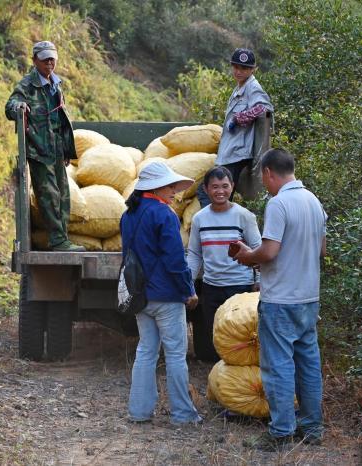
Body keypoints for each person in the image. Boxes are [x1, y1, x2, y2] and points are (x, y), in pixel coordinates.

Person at [233, 148, 327, 450]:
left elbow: (270, 251)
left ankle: (281, 432)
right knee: (308, 364)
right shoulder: (314, 202)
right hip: (309, 298)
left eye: (263, 177)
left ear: (268, 173)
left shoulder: (279, 203)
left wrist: (248, 256)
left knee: (278, 366)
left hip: (280, 301)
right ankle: (312, 429)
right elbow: (321, 250)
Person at [121, 162, 202, 425]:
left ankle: (139, 412)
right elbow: (175, 260)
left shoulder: (128, 215)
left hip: (140, 296)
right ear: (156, 187)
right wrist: (188, 290)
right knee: (176, 354)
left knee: (146, 351)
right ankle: (183, 415)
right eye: (170, 187)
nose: (174, 192)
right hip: (166, 296)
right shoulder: (164, 214)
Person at [5, 41, 85, 252]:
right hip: (40, 151)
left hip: (57, 149)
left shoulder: (55, 84)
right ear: (35, 61)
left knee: (63, 195)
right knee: (48, 196)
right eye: (45, 59)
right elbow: (10, 105)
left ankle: (63, 238)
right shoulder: (27, 85)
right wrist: (18, 107)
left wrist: (66, 149)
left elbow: (60, 119)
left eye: (52, 59)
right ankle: (58, 241)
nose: (49, 63)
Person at [186, 166, 261, 362]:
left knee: (239, 334)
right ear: (206, 189)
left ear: (233, 187)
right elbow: (194, 254)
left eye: (225, 186)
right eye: (215, 187)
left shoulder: (244, 216)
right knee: (217, 334)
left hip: (240, 287)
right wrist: (189, 285)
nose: (220, 191)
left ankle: (237, 374)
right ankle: (219, 376)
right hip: (212, 287)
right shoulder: (199, 219)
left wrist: (260, 280)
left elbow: (258, 249)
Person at [196, 48, 274, 207]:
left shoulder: (253, 87)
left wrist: (240, 118)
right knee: (222, 193)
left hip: (237, 154)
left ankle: (216, 226)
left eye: (244, 68)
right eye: (236, 67)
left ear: (253, 69)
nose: (239, 71)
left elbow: (264, 108)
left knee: (209, 191)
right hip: (231, 152)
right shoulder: (240, 87)